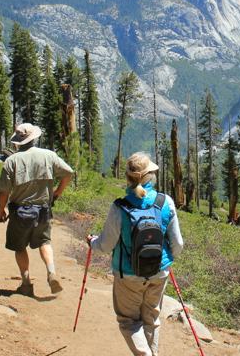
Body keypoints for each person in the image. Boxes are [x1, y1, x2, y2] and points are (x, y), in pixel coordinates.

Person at [87, 152, 184, 356]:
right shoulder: (165, 202)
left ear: (128, 177)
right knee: (152, 319)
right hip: (159, 272)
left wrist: (92, 243)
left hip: (128, 275)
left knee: (128, 321)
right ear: (150, 176)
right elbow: (178, 243)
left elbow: (105, 246)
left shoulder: (120, 207)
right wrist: (168, 259)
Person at [0, 122, 73, 296]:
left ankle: (26, 283)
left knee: (19, 246)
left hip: (20, 212)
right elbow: (68, 173)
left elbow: (4, 191)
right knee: (44, 242)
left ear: (18, 142)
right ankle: (51, 272)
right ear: (35, 138)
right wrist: (57, 192)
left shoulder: (11, 161)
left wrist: (1, 210)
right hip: (43, 210)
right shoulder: (49, 155)